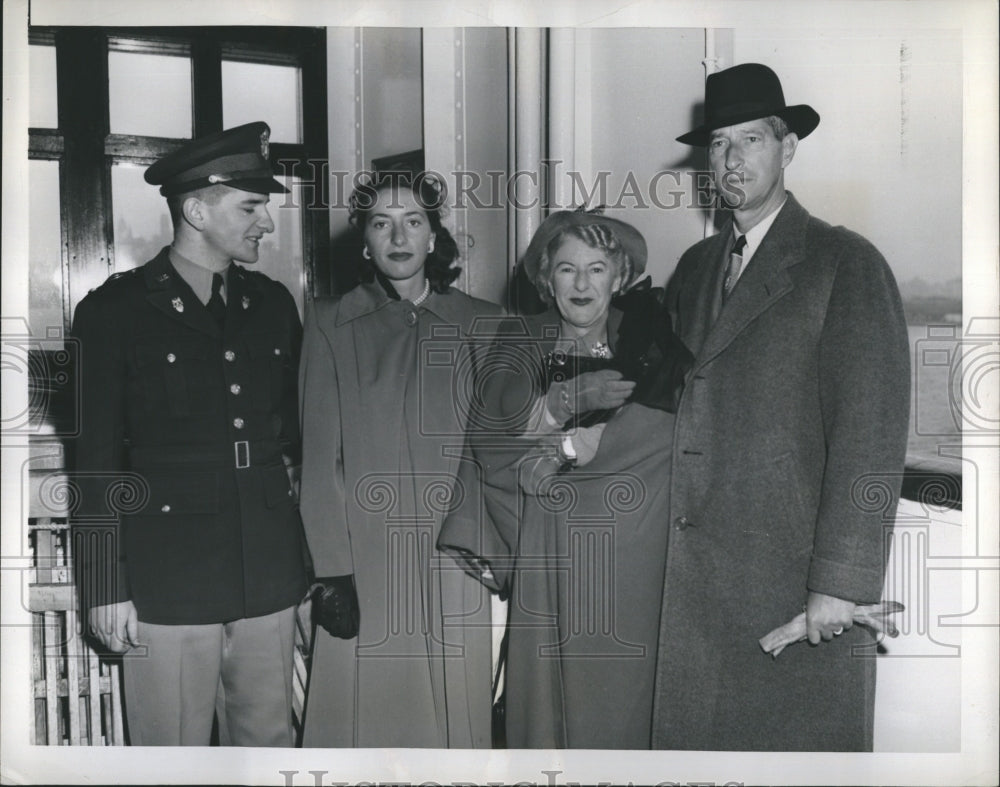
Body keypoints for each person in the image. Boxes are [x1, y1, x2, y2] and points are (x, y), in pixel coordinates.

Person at [655, 63, 911, 751]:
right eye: (719, 144)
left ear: (787, 148)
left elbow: (872, 435)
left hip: (791, 583)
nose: (732, 159)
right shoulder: (696, 267)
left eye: (751, 139)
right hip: (696, 576)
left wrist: (840, 583)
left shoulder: (843, 262)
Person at [70, 121, 309, 746]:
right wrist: (104, 586)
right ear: (197, 210)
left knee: (267, 748)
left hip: (266, 570)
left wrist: (307, 571)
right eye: (251, 206)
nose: (267, 222)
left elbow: (297, 440)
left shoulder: (273, 305)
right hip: (166, 580)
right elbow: (94, 461)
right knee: (170, 754)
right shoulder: (114, 312)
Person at [439, 210, 693, 748]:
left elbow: (673, 433)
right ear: (545, 278)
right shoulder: (518, 336)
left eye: (597, 269)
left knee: (624, 704)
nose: (582, 284)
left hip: (632, 558)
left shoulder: (652, 337)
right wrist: (565, 404)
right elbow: (489, 439)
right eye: (567, 269)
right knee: (546, 715)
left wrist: (566, 449)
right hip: (547, 550)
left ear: (619, 277)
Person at [297, 170, 502, 748]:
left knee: (455, 713)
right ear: (364, 241)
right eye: (381, 223)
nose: (398, 236)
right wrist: (332, 572)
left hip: (456, 551)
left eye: (413, 221)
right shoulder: (328, 321)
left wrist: (489, 546)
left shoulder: (485, 323)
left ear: (434, 237)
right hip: (365, 556)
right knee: (361, 716)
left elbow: (497, 453)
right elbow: (319, 462)